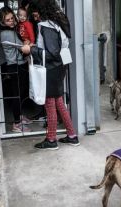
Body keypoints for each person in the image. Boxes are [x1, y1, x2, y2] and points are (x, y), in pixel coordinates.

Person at [21, 0, 79, 150]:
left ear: (40, 9)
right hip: (59, 67)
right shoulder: (57, 21)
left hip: (52, 69)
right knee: (59, 102)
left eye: (34, 13)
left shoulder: (46, 26)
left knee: (50, 104)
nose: (34, 17)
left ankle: (51, 140)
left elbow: (52, 53)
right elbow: (56, 49)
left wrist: (31, 50)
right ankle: (72, 136)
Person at [0, 6, 32, 133]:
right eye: (8, 20)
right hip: (15, 66)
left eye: (12, 18)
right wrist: (28, 42)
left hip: (20, 64)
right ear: (2, 22)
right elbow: (23, 47)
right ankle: (16, 124)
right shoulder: (7, 33)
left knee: (21, 93)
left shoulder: (12, 30)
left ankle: (19, 116)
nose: (12, 21)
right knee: (17, 95)